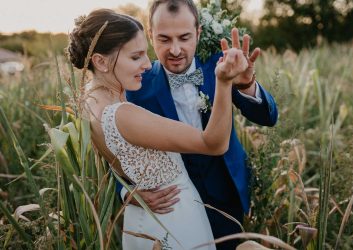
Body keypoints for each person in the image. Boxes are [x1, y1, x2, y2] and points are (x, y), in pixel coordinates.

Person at [67, 8, 249, 250]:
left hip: (146, 221)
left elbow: (116, 156)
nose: (146, 64)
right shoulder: (126, 112)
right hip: (174, 221)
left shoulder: (89, 102)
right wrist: (224, 82)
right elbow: (213, 143)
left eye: (145, 54)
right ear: (100, 61)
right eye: (136, 57)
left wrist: (130, 192)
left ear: (197, 33)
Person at [117, 0, 278, 249]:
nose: (175, 49)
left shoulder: (220, 65)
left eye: (184, 37)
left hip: (226, 191)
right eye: (164, 39)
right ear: (150, 35)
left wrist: (246, 84)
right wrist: (128, 192)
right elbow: (118, 146)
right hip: (174, 203)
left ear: (198, 33)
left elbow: (268, 118)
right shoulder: (138, 85)